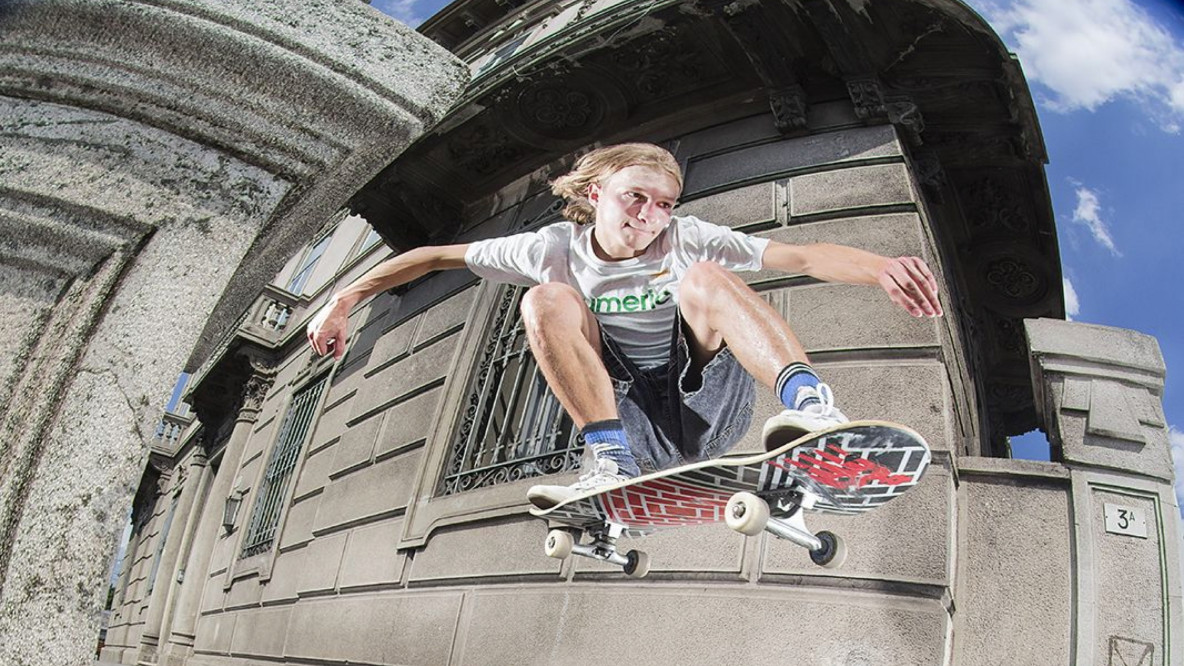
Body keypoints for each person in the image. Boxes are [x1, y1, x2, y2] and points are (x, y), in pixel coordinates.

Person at [307, 143, 942, 507]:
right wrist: (342, 301)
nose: (650, 215)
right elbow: (434, 257)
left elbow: (799, 256)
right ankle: (609, 462)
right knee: (544, 301)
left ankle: (814, 410)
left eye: (664, 204)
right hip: (632, 415)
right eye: (634, 197)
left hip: (708, 399)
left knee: (704, 278)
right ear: (593, 196)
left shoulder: (687, 238)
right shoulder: (551, 246)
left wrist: (879, 266)